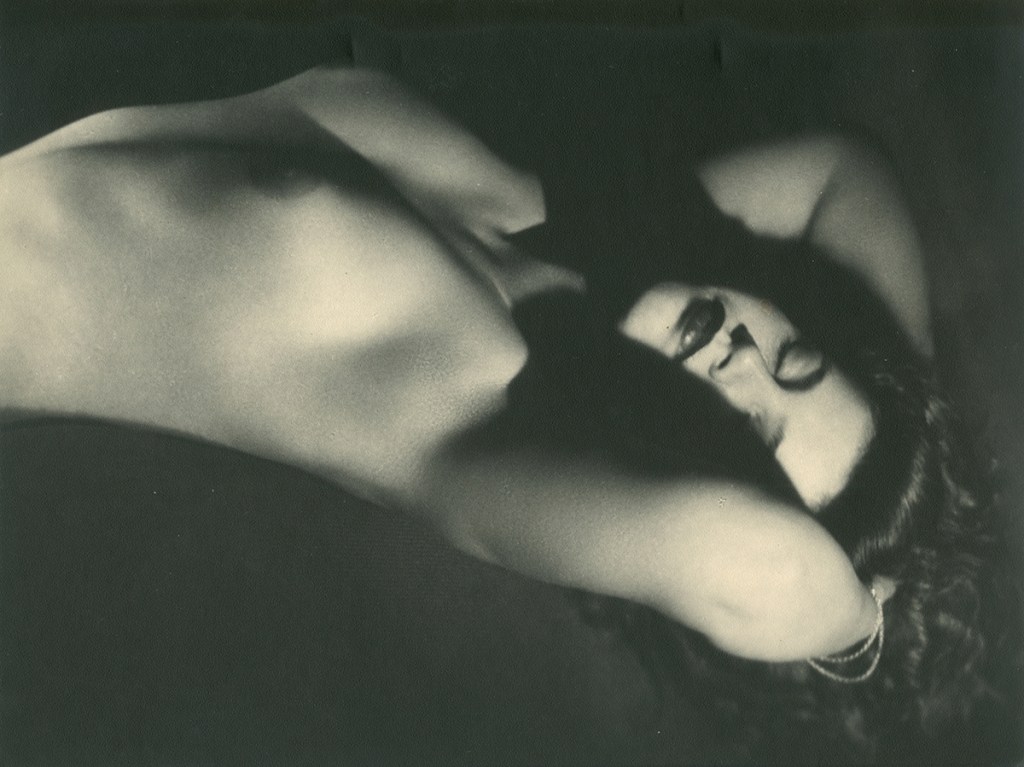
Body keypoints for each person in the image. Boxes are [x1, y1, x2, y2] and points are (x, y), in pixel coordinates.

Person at [1, 66, 1019, 762]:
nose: (742, 361)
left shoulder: (466, 416)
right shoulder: (554, 223)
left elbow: (776, 570)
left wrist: (869, 622)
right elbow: (847, 175)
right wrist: (906, 463)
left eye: (754, 427)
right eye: (798, 359)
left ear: (687, 490)